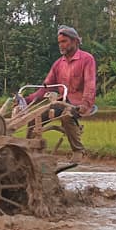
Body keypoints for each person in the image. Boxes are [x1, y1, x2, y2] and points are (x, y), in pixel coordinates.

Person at [25, 25, 96, 157]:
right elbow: (46, 87)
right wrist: (27, 100)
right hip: (61, 101)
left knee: (67, 115)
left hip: (79, 102)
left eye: (64, 42)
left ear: (75, 41)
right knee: (34, 119)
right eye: (59, 42)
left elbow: (90, 84)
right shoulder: (58, 64)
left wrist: (85, 104)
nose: (61, 45)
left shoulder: (87, 59)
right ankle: (28, 152)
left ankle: (78, 151)